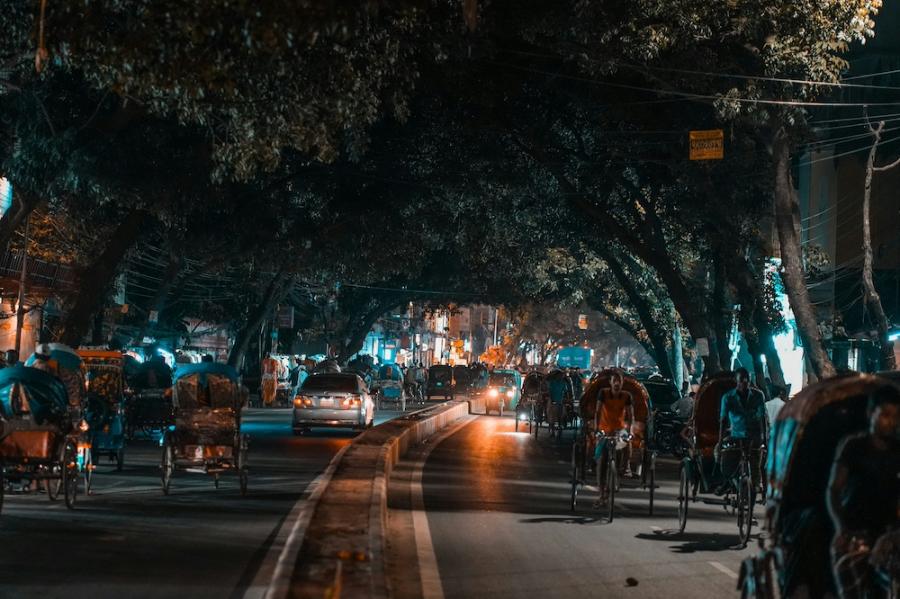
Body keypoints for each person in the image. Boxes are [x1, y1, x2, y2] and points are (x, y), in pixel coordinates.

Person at [827, 390, 900, 599]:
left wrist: (892, 536)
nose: (891, 422)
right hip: (854, 532)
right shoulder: (853, 446)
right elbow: (833, 490)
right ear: (871, 414)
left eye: (896, 416)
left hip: (890, 535)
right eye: (886, 414)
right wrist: (841, 527)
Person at [717, 367, 768, 493]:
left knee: (757, 464)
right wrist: (720, 441)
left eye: (747, 381)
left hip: (754, 436)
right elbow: (723, 421)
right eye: (741, 381)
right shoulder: (728, 397)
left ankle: (758, 486)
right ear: (736, 381)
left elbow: (763, 418)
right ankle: (727, 481)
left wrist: (765, 439)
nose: (744, 384)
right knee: (721, 456)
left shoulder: (758, 395)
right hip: (735, 435)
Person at [594, 370, 634, 505]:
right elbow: (598, 412)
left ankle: (624, 468)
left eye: (619, 381)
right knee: (602, 461)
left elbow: (630, 415)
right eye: (614, 380)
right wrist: (596, 429)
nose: (617, 383)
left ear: (622, 383)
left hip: (619, 431)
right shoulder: (603, 393)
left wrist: (629, 431)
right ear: (610, 382)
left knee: (627, 446)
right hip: (604, 430)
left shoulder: (626, 396)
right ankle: (601, 493)